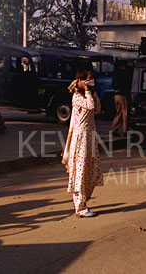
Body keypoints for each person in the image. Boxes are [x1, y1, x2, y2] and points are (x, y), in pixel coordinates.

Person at [62, 69, 102, 218]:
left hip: (90, 137)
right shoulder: (77, 97)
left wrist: (93, 92)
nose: (91, 81)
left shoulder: (88, 95)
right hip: (81, 139)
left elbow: (97, 108)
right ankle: (79, 207)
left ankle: (84, 202)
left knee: (91, 171)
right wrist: (87, 91)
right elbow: (90, 106)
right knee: (81, 171)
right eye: (89, 79)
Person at [111, 62, 130, 136]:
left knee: (119, 113)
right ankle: (125, 131)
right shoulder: (123, 74)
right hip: (122, 95)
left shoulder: (115, 74)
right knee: (125, 113)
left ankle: (114, 130)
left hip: (116, 95)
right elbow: (126, 84)